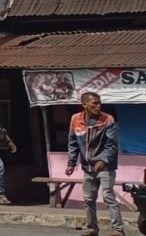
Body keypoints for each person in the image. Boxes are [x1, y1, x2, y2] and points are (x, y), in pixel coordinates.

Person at [65, 92, 124, 236]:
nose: (98, 106)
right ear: (84, 105)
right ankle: (92, 228)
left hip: (105, 166)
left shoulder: (108, 119)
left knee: (108, 196)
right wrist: (71, 163)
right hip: (87, 167)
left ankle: (118, 229)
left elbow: (112, 145)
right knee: (89, 199)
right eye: (94, 104)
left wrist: (104, 159)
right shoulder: (75, 119)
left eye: (99, 103)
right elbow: (73, 143)